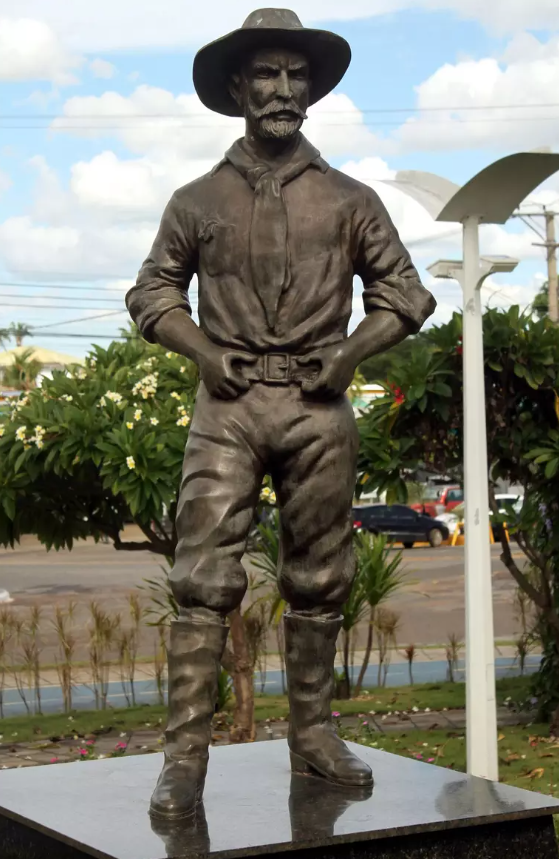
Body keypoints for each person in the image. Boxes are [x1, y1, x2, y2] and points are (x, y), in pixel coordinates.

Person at [126, 7, 436, 820]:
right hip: (226, 406)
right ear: (236, 87)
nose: (282, 89)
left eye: (296, 76)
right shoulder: (196, 199)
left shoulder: (350, 198)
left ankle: (315, 735)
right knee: (201, 581)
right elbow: (152, 291)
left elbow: (406, 294)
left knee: (321, 578)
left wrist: (349, 354)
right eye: (266, 73)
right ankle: (183, 761)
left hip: (317, 404)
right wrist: (201, 350)